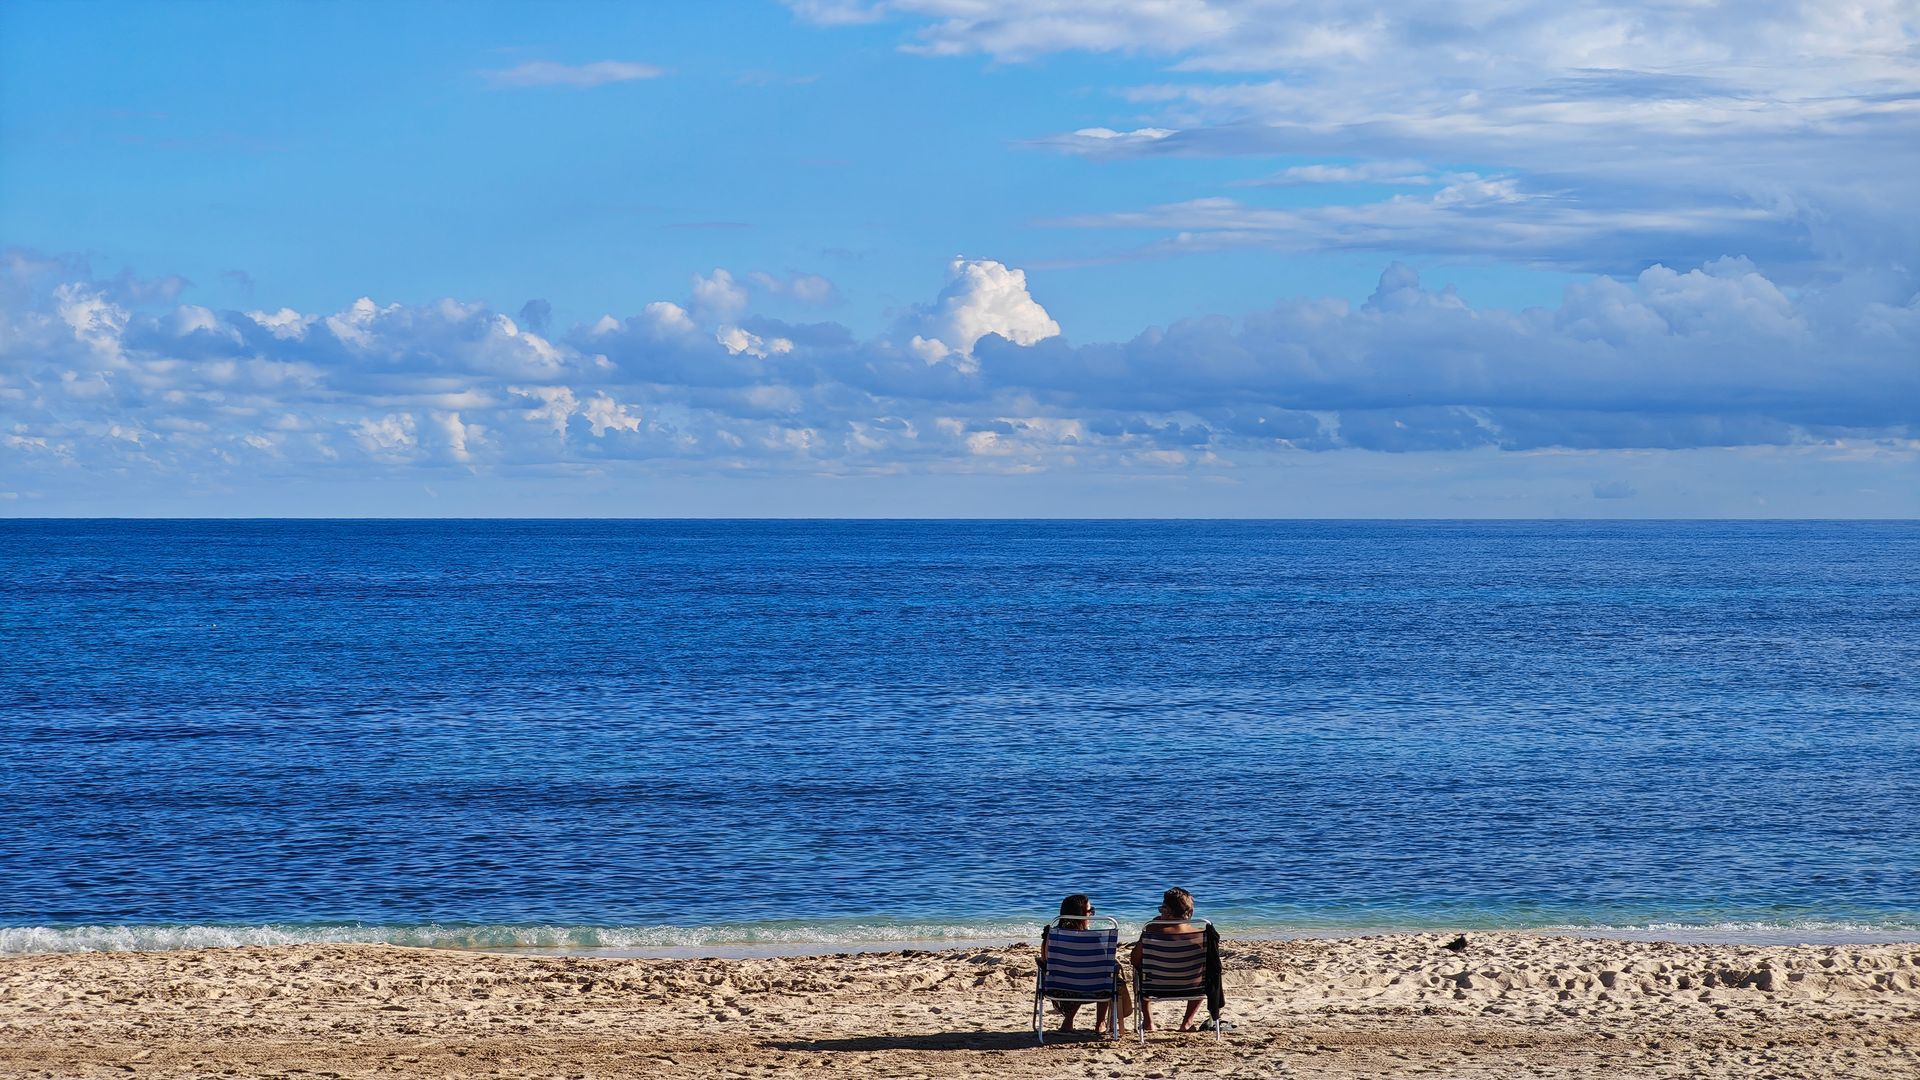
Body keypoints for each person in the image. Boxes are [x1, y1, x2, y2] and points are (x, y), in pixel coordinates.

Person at [1047, 893, 1129, 1035]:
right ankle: (1100, 1023)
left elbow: (1045, 960)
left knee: (1080, 976)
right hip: (1094, 989)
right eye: (1090, 911)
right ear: (1081, 915)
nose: (1091, 914)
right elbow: (1103, 963)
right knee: (1104, 975)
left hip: (1059, 988)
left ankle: (1068, 1021)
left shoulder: (1052, 936)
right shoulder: (1094, 939)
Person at [1130, 887, 1205, 1032]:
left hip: (1156, 987)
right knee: (1204, 974)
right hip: (1193, 988)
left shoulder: (1151, 930)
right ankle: (1187, 1023)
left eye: (1162, 908)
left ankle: (1148, 1023)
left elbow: (1134, 960)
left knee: (1139, 972)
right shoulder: (1201, 935)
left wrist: (1151, 927)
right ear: (1189, 913)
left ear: (1167, 911)